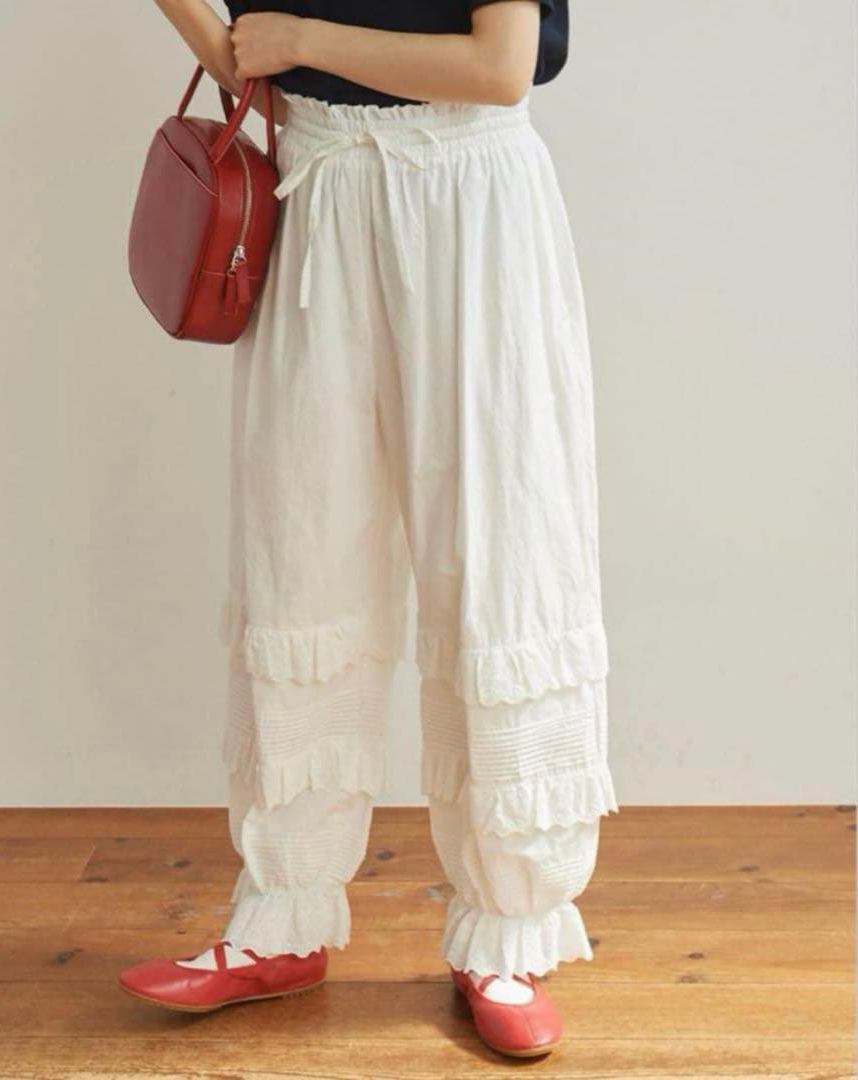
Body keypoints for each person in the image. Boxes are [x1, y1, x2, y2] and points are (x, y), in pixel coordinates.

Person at [119, 0, 619, 1059]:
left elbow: (499, 67)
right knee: (300, 549)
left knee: (498, 552)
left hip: (471, 195)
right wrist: (248, 44)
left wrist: (300, 42)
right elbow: (244, 63)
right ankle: (281, 915)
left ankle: (507, 931)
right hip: (316, 186)